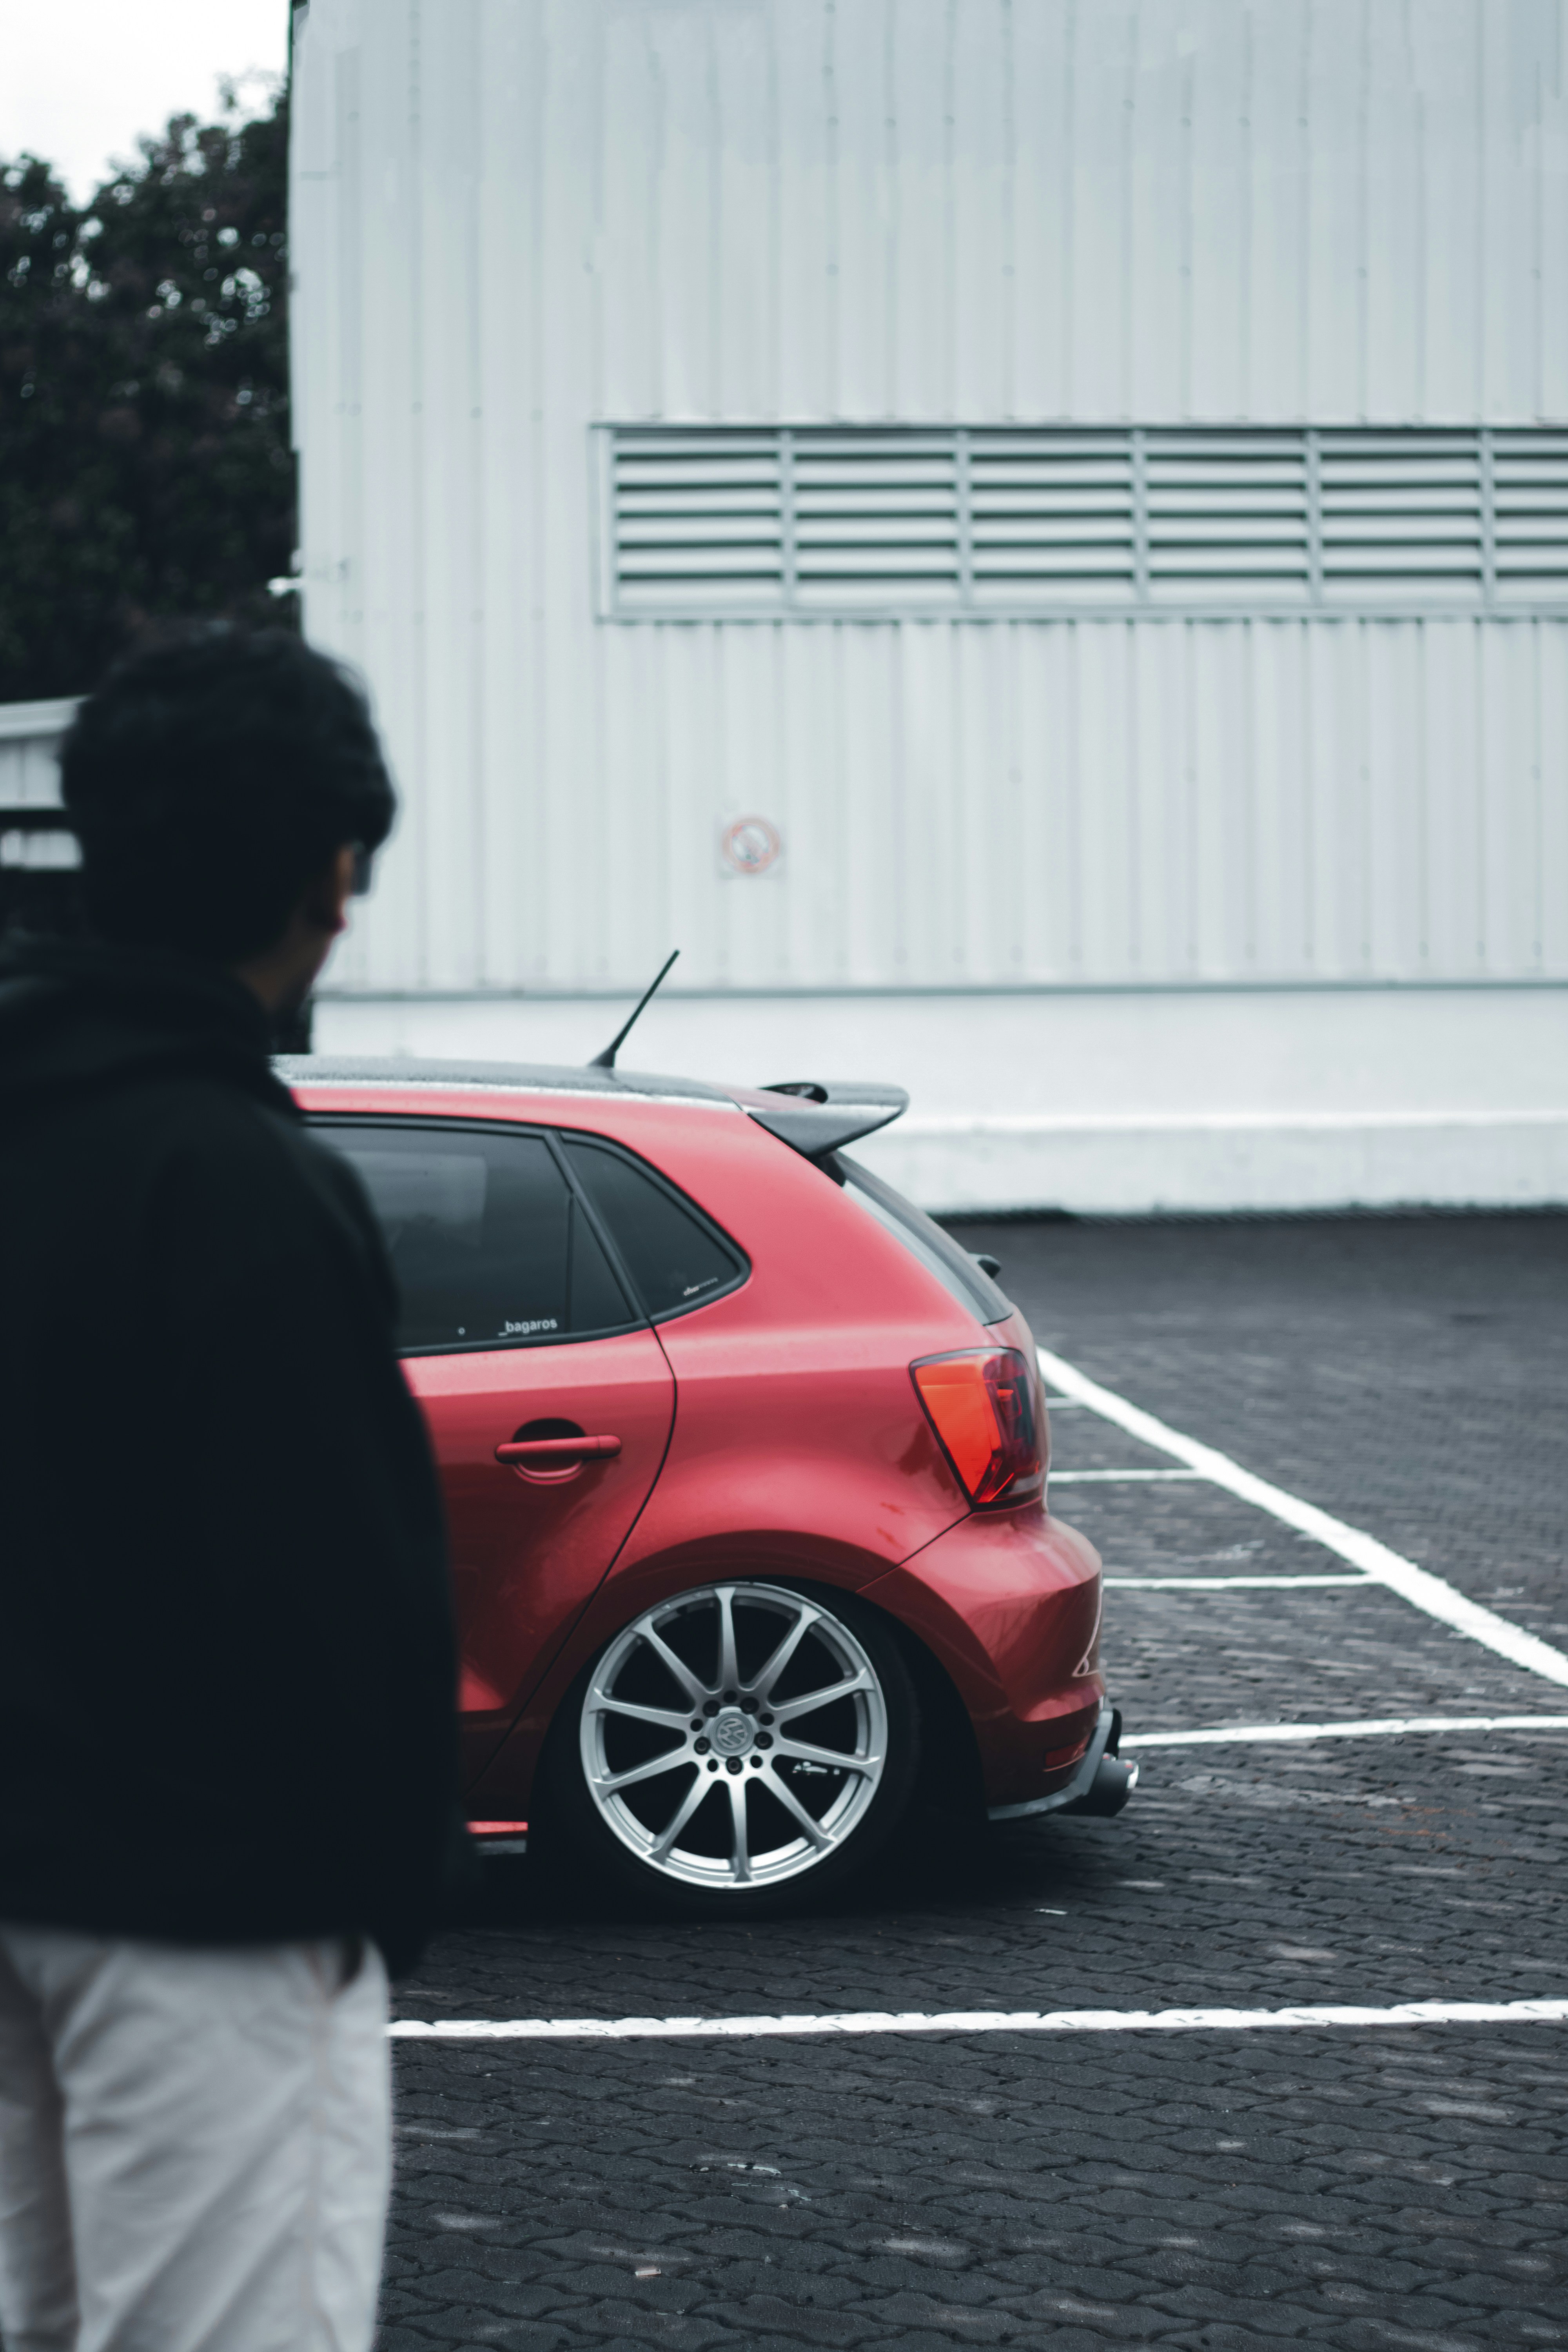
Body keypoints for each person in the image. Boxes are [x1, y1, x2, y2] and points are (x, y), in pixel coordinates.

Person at [0, 628, 465, 2352]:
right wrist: (380, 1894)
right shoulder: (243, 1181)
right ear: (331, 879)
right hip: (210, 1910)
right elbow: (338, 1593)